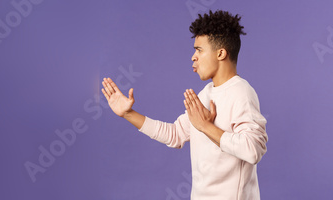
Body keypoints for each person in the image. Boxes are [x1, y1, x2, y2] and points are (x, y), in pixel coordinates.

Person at [101, 10, 268, 199]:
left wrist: (206, 127)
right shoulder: (206, 93)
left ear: (221, 53)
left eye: (199, 49)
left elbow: (253, 150)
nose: (193, 57)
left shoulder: (241, 92)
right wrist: (128, 113)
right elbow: (175, 134)